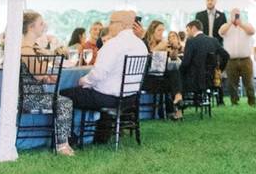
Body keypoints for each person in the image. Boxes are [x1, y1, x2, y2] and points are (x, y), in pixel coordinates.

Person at [60, 11, 148, 144]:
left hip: (108, 99)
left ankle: (69, 138)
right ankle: (100, 137)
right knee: (96, 90)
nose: (108, 25)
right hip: (130, 99)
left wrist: (83, 81)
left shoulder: (113, 45)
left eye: (112, 22)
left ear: (123, 25)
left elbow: (99, 74)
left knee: (64, 95)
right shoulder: (141, 45)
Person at [20, 11, 76, 155]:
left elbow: (35, 75)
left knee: (63, 100)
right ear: (31, 27)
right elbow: (38, 75)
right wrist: (48, 57)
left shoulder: (31, 48)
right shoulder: (26, 49)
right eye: (41, 23)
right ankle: (62, 144)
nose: (44, 26)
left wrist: (47, 77)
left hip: (34, 93)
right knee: (64, 102)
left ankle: (63, 142)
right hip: (29, 98)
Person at [141, 20, 184, 120]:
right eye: (159, 30)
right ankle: (177, 108)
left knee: (174, 69)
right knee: (175, 78)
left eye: (163, 30)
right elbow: (144, 61)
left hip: (161, 78)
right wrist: (157, 49)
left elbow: (172, 59)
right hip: (148, 79)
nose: (162, 33)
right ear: (152, 31)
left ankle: (178, 98)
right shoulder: (144, 43)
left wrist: (174, 50)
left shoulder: (163, 43)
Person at [219, 8, 256, 106]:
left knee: (248, 82)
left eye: (237, 14)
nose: (236, 16)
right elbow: (221, 32)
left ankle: (251, 101)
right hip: (231, 60)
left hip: (245, 59)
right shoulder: (226, 26)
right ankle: (234, 102)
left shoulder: (246, 25)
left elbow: (252, 31)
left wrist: (241, 24)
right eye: (234, 15)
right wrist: (231, 23)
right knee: (232, 83)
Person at [180, 20, 228, 98]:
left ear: (194, 28)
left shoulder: (191, 42)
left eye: (188, 30)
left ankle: (178, 101)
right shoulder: (213, 40)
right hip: (211, 78)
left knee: (177, 74)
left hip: (194, 79)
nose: (187, 33)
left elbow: (185, 63)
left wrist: (179, 71)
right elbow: (226, 55)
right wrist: (219, 69)